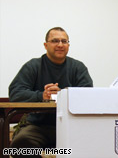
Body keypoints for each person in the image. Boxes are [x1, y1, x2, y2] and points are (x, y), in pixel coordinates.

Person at [9, 27, 93, 156]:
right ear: (45, 45)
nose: (60, 45)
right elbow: (16, 93)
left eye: (64, 41)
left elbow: (88, 95)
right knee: (20, 145)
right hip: (38, 126)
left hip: (70, 125)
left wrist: (62, 95)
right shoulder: (33, 66)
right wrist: (42, 95)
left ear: (68, 45)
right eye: (55, 41)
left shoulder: (78, 67)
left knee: (91, 143)